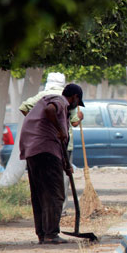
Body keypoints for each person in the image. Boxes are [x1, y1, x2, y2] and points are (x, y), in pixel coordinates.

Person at [19, 84, 85, 244]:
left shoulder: (59, 106)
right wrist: (60, 129)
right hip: (45, 151)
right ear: (75, 97)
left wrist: (66, 164)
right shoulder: (60, 101)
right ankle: (51, 234)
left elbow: (59, 142)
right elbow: (50, 111)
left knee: (40, 194)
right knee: (55, 193)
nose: (76, 105)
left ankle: (42, 233)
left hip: (35, 150)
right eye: (78, 101)